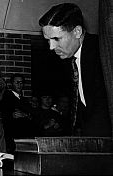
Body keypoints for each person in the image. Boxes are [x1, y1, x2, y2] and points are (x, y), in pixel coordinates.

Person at [39, 3, 111, 136]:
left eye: (56, 39)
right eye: (48, 40)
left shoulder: (104, 52)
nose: (51, 47)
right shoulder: (67, 59)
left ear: (77, 31)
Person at [0, 74, 36, 153]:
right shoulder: (7, 96)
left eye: (21, 83)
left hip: (24, 135)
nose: (19, 85)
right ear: (12, 83)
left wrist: (26, 115)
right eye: (17, 82)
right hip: (12, 135)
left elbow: (32, 115)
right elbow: (4, 114)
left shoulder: (24, 99)